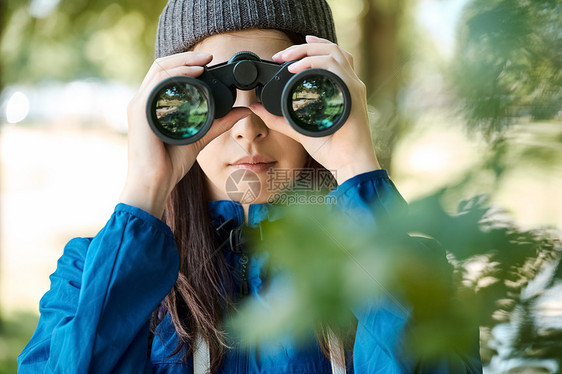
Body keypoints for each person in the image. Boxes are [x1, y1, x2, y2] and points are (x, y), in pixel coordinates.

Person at [18, 0, 483, 373]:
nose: (246, 128)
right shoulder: (89, 275)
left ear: (327, 95)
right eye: (211, 99)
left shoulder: (408, 264)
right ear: (165, 106)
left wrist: (357, 168)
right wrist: (144, 189)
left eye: (279, 93)